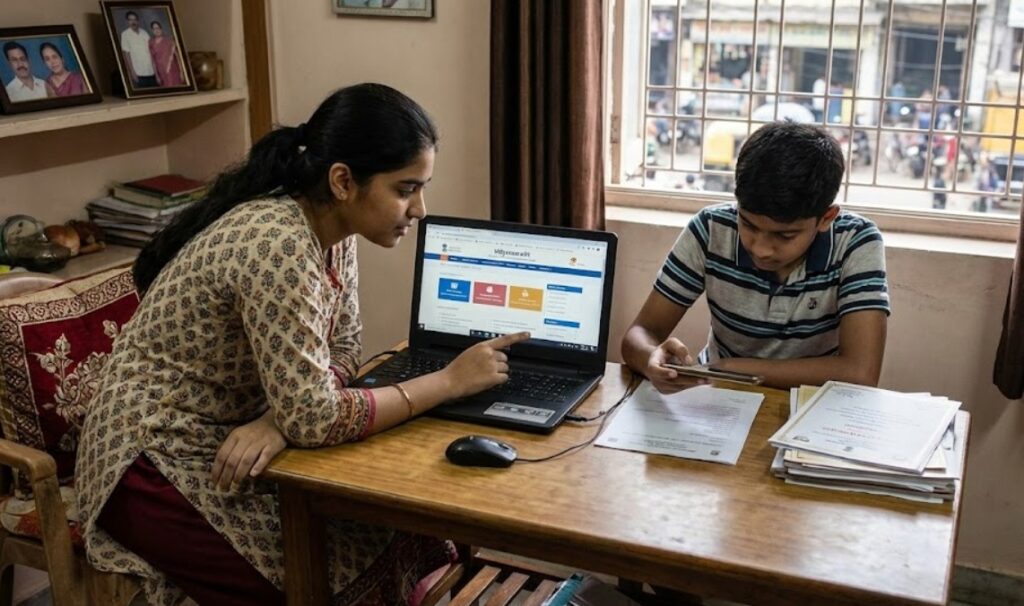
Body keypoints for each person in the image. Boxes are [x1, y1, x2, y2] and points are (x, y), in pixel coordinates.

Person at [76, 83, 530, 606]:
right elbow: (315, 420)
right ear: (343, 181)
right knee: (314, 583)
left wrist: (278, 418)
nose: (420, 210)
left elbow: (343, 346)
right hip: (150, 456)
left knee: (400, 531)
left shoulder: (333, 232)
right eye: (406, 189)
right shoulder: (280, 243)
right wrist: (448, 382)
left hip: (237, 433)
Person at [621, 122, 889, 393]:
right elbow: (639, 333)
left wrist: (733, 369)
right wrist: (650, 359)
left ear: (826, 218)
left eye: (784, 236)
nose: (761, 249)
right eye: (748, 225)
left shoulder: (856, 241)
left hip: (808, 403)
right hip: (717, 395)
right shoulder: (711, 228)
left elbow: (860, 372)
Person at [120, 11, 158, 87]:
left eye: (135, 19)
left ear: (138, 21)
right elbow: (126, 55)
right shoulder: (125, 34)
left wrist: (156, 72)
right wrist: (132, 72)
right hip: (138, 73)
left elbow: (151, 51)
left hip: (151, 71)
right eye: (130, 20)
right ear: (128, 21)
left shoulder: (144, 32)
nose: (133, 22)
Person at [148, 21, 184, 87]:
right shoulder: (151, 43)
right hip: (162, 73)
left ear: (161, 29)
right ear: (152, 30)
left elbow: (178, 57)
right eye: (154, 29)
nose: (156, 30)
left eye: (158, 28)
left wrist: (181, 72)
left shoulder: (169, 40)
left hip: (173, 70)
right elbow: (153, 61)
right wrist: (157, 76)